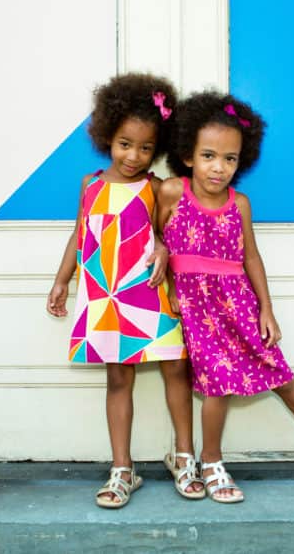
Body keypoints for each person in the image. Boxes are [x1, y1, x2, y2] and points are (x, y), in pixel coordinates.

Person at [157, 90, 294, 503]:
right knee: (217, 385)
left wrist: (267, 309)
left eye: (230, 159)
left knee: (281, 374)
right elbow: (155, 236)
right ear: (188, 155)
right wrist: (162, 253)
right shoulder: (172, 192)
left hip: (238, 303)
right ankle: (211, 460)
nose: (219, 167)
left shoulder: (239, 203)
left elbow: (252, 258)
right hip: (195, 309)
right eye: (208, 155)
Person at [46, 73, 205, 508]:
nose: (134, 156)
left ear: (160, 147)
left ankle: (184, 456)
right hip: (106, 296)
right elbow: (80, 236)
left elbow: (168, 235)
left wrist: (163, 248)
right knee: (119, 378)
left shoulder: (156, 188)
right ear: (107, 137)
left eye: (146, 148)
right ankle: (122, 469)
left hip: (151, 293)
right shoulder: (90, 185)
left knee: (177, 369)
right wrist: (62, 280)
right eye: (125, 144)